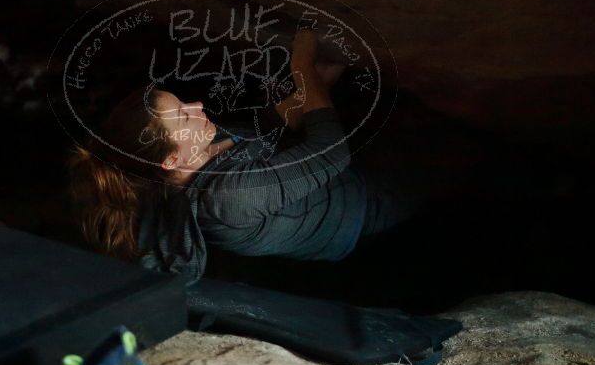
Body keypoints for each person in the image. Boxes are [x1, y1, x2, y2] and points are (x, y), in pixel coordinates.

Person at [69, 30, 414, 285]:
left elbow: (263, 125)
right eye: (185, 116)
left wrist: (312, 86)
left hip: (340, 179)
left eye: (183, 102)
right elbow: (331, 153)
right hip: (360, 210)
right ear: (171, 161)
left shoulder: (201, 146)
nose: (197, 106)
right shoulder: (225, 198)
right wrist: (302, 65)